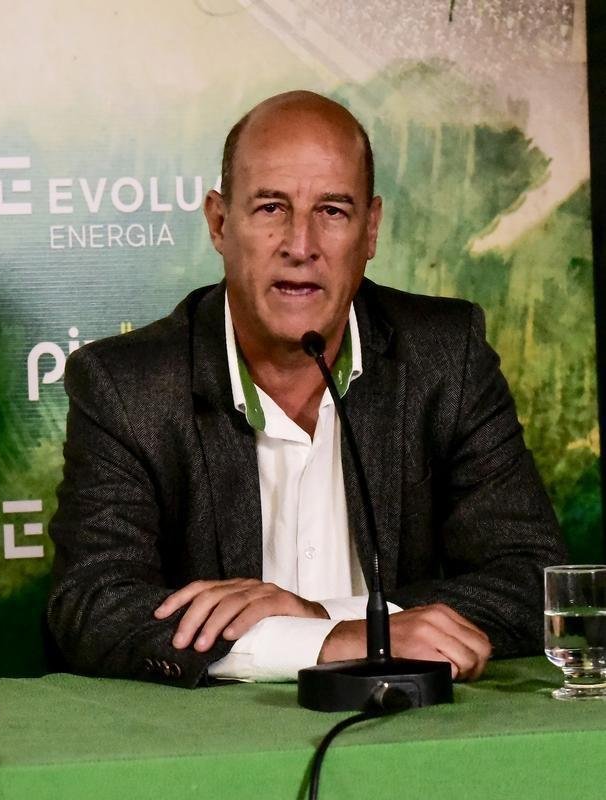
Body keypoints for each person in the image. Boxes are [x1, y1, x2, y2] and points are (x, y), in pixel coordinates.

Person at [46, 91, 567, 687]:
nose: (301, 245)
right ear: (220, 222)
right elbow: (92, 607)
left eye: (333, 211)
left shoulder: (445, 357)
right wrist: (324, 643)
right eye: (271, 208)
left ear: (370, 230)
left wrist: (328, 622)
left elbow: (534, 577)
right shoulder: (128, 386)